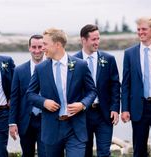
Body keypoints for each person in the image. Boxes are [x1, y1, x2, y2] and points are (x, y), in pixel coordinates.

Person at [26, 28, 97, 157]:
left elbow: (92, 91)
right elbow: (30, 94)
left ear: (57, 44)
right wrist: (44, 102)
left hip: (75, 127)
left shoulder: (80, 65)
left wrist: (82, 104)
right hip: (51, 128)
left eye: (45, 44)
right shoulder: (40, 68)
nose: (42, 48)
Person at [121, 17, 151, 157]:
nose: (140, 32)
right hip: (138, 108)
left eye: (144, 29)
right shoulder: (129, 53)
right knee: (139, 149)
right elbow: (126, 84)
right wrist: (124, 109)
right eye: (138, 29)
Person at [74, 24, 120, 157]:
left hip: (104, 114)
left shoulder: (109, 59)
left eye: (98, 39)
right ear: (83, 40)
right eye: (93, 39)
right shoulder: (73, 61)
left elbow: (115, 85)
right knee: (85, 152)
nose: (97, 42)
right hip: (83, 115)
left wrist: (115, 108)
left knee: (104, 152)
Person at [9, 34, 46, 157]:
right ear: (29, 48)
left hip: (46, 120)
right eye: (34, 47)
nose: (37, 50)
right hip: (26, 121)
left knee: (45, 154)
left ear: (44, 47)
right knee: (27, 154)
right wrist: (12, 123)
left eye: (40, 46)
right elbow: (14, 98)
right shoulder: (19, 71)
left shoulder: (52, 66)